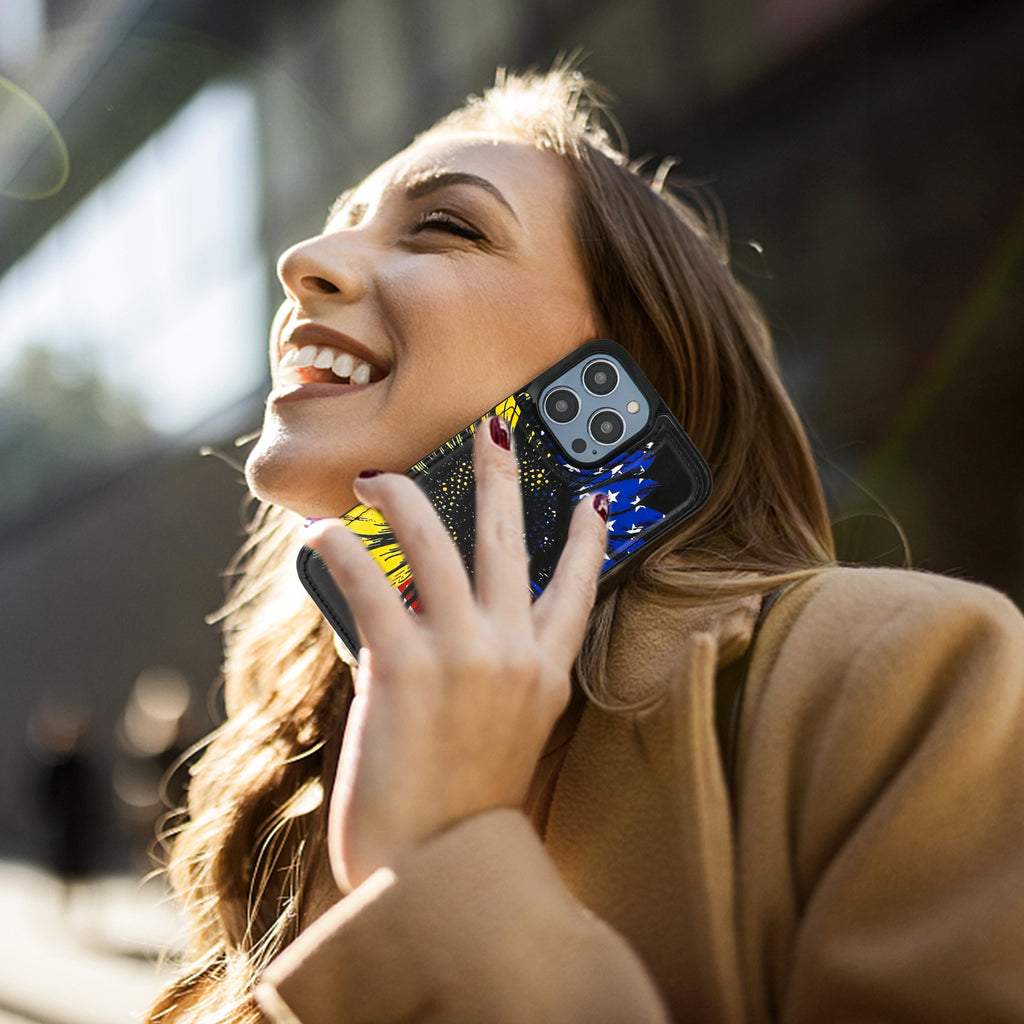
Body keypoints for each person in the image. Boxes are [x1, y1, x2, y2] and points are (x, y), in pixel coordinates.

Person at [147, 67, 1024, 1024]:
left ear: (630, 370)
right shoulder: (294, 745)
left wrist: (449, 857)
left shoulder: (905, 677)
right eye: (340, 221)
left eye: (446, 226)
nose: (305, 259)